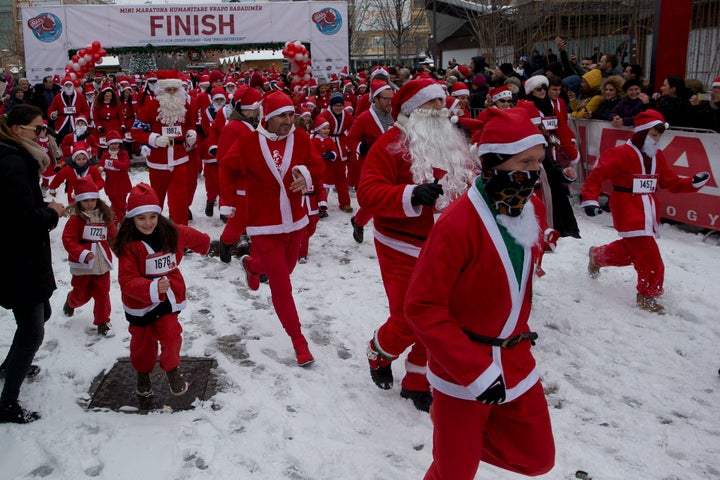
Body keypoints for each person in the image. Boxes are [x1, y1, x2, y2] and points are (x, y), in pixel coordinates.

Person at [405, 107, 556, 480]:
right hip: (464, 368)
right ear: (494, 164)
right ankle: (455, 443)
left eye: (538, 162)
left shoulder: (530, 207)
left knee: (538, 458)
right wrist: (474, 371)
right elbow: (422, 307)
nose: (535, 172)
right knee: (454, 473)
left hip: (516, 361)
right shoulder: (456, 225)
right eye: (526, 162)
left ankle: (457, 440)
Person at [358, 78, 476, 412]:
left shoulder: (453, 144)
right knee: (409, 319)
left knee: (439, 316)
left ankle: (416, 381)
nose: (441, 110)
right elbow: (367, 193)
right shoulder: (389, 145)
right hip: (400, 244)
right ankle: (378, 351)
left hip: (445, 244)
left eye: (442, 103)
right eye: (432, 104)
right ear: (413, 110)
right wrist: (411, 195)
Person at [223, 91, 325, 366]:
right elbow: (227, 166)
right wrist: (234, 198)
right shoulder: (247, 142)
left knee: (286, 270)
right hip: (263, 225)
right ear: (266, 118)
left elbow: (318, 166)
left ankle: (252, 266)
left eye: (292, 114)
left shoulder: (301, 139)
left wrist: (306, 177)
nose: (288, 120)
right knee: (282, 284)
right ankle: (299, 341)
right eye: (282, 115)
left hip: (295, 222)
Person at [581, 110, 710, 313]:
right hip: (628, 209)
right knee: (650, 257)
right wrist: (590, 199)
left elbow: (669, 181)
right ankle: (647, 295)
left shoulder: (657, 156)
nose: (657, 140)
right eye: (653, 134)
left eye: (659, 135)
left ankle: (597, 256)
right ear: (641, 133)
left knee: (633, 253)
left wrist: (692, 183)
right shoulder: (621, 153)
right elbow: (598, 174)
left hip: (648, 210)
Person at [111, 183, 210, 396]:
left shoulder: (170, 232)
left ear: (159, 215)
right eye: (141, 218)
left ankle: (172, 370)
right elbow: (126, 281)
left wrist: (206, 245)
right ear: (132, 219)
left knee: (171, 334)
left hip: (167, 298)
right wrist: (151, 287)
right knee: (142, 345)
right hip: (140, 303)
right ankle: (143, 373)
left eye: (152, 217)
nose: (148, 223)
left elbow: (191, 236)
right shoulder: (129, 246)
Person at [0, 105, 66, 423]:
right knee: (32, 330)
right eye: (37, 129)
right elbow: (23, 221)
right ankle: (7, 403)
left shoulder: (16, 157)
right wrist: (52, 211)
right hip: (18, 259)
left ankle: (10, 367)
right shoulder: (12, 162)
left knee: (41, 314)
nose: (43, 135)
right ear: (16, 129)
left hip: (23, 257)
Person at [131, 70, 198, 226]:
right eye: (169, 90)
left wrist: (191, 132)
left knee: (180, 199)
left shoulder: (185, 105)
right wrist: (153, 139)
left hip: (180, 158)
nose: (172, 93)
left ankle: (181, 236)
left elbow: (190, 123)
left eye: (175, 90)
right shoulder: (151, 106)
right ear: (161, 90)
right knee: (157, 198)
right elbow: (136, 130)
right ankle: (156, 232)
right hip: (158, 160)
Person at [61, 177, 117, 336]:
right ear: (79, 201)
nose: (90, 203)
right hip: (83, 266)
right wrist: (82, 253)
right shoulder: (75, 220)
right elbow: (68, 240)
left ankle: (103, 322)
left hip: (102, 265)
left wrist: (123, 250)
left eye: (93, 199)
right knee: (82, 296)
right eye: (86, 201)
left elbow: (113, 237)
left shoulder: (104, 217)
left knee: (102, 294)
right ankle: (71, 301)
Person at [216, 85, 263, 263]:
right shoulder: (233, 128)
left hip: (256, 186)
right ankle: (225, 242)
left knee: (259, 224)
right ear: (250, 109)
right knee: (237, 223)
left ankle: (259, 262)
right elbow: (225, 162)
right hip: (241, 188)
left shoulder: (254, 125)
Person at [346, 80, 395, 243]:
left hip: (395, 164)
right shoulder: (364, 118)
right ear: (375, 99)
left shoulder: (396, 114)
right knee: (376, 198)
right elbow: (351, 140)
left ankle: (360, 221)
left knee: (389, 198)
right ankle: (359, 222)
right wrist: (365, 148)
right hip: (373, 166)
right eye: (386, 99)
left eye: (392, 98)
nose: (390, 102)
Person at [100, 130, 132, 222]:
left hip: (123, 182)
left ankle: (121, 218)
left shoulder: (123, 154)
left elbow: (126, 165)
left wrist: (114, 163)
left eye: (116, 143)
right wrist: (101, 167)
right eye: (111, 144)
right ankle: (116, 219)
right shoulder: (105, 154)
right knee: (116, 203)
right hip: (111, 184)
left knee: (122, 203)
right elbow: (101, 164)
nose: (114, 146)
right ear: (108, 145)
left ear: (119, 143)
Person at [47, 76, 90, 144]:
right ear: (63, 86)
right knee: (62, 143)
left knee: (78, 143)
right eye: (66, 85)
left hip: (77, 124)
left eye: (70, 85)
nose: (68, 87)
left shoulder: (80, 96)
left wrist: (82, 119)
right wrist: (53, 114)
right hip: (62, 125)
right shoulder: (58, 97)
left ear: (73, 86)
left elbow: (86, 110)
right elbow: (50, 110)